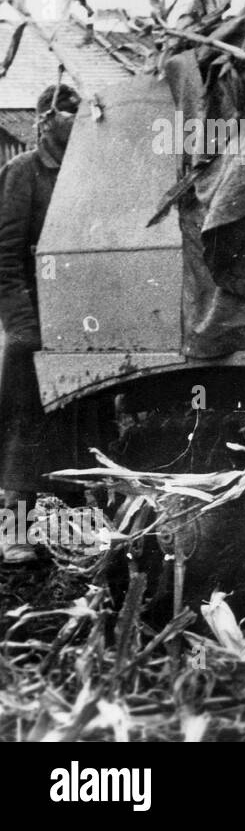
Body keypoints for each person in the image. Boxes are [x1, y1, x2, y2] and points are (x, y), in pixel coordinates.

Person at [0, 83, 79, 564]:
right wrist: (27, 328)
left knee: (75, 433)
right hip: (34, 325)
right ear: (46, 120)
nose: (76, 120)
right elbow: (5, 261)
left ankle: (71, 532)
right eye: (67, 113)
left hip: (78, 322)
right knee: (22, 440)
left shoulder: (86, 172)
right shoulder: (23, 172)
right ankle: (15, 534)